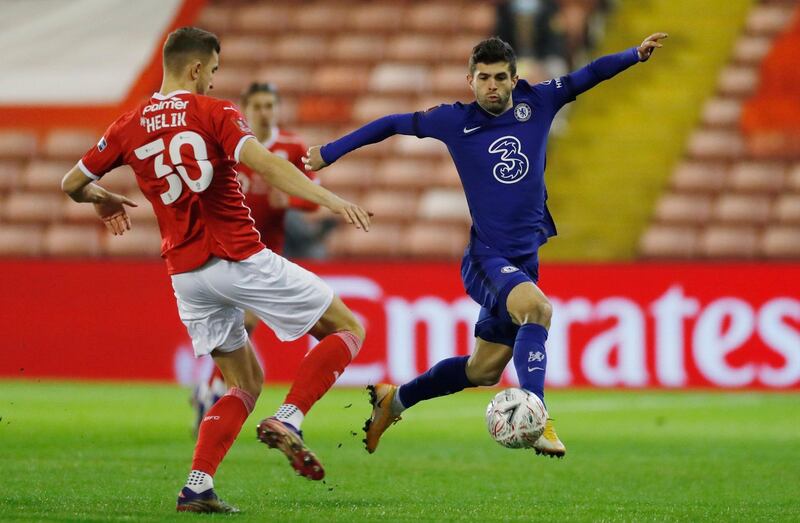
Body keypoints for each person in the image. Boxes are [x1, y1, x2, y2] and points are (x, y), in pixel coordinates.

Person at [304, 33, 667, 459]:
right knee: (539, 310)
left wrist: (633, 55)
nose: (491, 85)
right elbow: (390, 123)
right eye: (483, 78)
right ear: (470, 81)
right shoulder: (454, 121)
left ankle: (394, 400)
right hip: (486, 258)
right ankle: (539, 416)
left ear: (515, 79)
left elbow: (585, 76)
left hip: (524, 260)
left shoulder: (539, 102)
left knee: (483, 369)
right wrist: (330, 151)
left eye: (499, 77)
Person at [61, 26, 372, 513]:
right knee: (348, 327)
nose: (212, 82)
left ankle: (198, 486)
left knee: (244, 382)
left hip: (186, 275)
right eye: (213, 72)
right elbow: (265, 164)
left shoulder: (127, 124)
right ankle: (290, 417)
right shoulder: (216, 112)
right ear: (197, 68)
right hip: (238, 254)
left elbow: (73, 182)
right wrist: (329, 198)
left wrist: (101, 201)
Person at [191, 82, 324, 427]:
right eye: (258, 106)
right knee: (232, 329)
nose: (265, 112)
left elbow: (314, 197)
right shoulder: (229, 146)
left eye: (270, 105)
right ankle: (212, 388)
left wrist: (290, 200)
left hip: (263, 254)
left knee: (245, 324)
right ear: (245, 110)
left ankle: (210, 391)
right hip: (221, 249)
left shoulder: (292, 147)